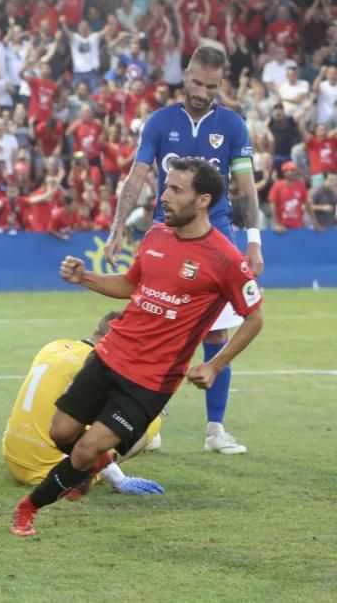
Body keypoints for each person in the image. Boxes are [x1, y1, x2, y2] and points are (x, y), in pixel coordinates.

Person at [11, 158, 264, 537]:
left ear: (202, 200)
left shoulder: (225, 258)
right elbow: (131, 285)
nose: (164, 196)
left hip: (151, 380)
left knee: (83, 449)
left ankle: (27, 510)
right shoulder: (157, 235)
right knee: (60, 432)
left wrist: (215, 365)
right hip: (111, 354)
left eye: (177, 190)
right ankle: (92, 467)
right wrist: (86, 278)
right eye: (166, 187)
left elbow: (255, 317)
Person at [104, 46, 264, 455]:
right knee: (155, 327)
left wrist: (253, 240)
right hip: (167, 236)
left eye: (211, 86)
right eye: (196, 82)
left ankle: (215, 429)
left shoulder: (232, 125)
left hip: (218, 238)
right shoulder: (160, 122)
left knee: (216, 331)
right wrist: (118, 227)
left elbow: (245, 189)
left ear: (220, 83)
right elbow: (138, 175)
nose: (201, 91)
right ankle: (147, 423)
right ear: (186, 74)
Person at [2, 311, 165, 496]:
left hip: (13, 459)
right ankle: (91, 468)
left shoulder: (54, 346)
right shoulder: (99, 365)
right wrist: (119, 479)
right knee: (150, 421)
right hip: (49, 469)